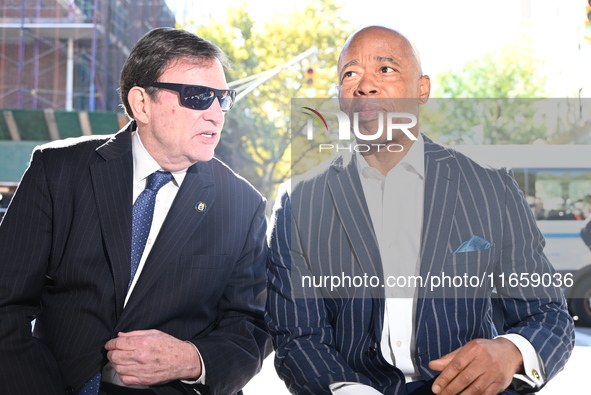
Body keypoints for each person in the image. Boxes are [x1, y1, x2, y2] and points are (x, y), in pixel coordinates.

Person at [265, 26, 574, 395]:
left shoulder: (492, 188)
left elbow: (549, 315)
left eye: (386, 69)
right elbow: (298, 337)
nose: (365, 85)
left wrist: (511, 351)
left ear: (422, 89)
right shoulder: (299, 201)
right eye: (350, 73)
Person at [0, 27, 270, 395]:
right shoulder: (58, 172)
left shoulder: (243, 204)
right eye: (197, 97)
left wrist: (192, 360)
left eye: (222, 99)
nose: (215, 115)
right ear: (142, 103)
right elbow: (6, 305)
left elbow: (251, 326)